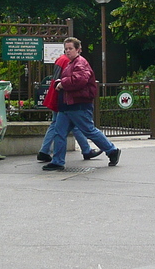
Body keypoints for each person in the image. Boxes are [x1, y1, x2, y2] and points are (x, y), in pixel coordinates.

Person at [44, 37, 120, 171]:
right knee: (59, 132)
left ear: (78, 50)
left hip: (78, 104)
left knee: (88, 130)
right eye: (66, 49)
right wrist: (60, 82)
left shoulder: (80, 63)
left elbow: (80, 80)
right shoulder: (71, 63)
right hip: (68, 105)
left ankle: (112, 150)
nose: (68, 51)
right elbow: (73, 79)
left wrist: (62, 83)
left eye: (70, 48)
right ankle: (57, 161)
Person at [36, 53, 101, 162]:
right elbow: (72, 81)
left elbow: (56, 78)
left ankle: (48, 152)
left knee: (60, 125)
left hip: (59, 95)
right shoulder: (71, 62)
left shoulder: (60, 59)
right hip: (65, 98)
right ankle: (96, 149)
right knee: (69, 126)